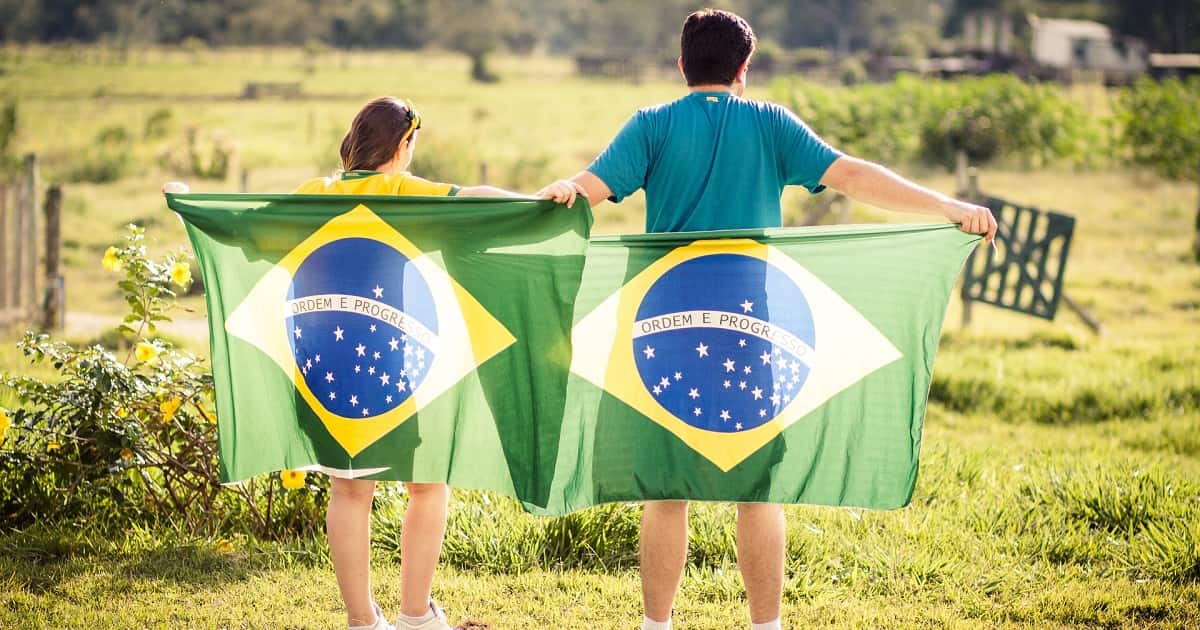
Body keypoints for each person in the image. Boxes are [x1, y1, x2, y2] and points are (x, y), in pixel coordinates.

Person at [562, 10, 997, 630]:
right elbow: (852, 175)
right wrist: (948, 206)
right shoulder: (769, 123)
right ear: (743, 70)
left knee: (664, 490)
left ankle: (654, 625)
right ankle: (767, 626)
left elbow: (584, 191)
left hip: (660, 332)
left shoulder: (650, 125)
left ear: (682, 65)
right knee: (757, 492)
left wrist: (544, 195)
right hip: (751, 332)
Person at [169, 96, 582, 630]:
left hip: (320, 361)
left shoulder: (315, 195)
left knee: (348, 487)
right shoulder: (406, 193)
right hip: (390, 359)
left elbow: (246, 227)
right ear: (403, 146)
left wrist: (186, 202)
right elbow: (477, 202)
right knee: (428, 482)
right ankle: (416, 615)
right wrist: (537, 199)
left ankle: (362, 619)